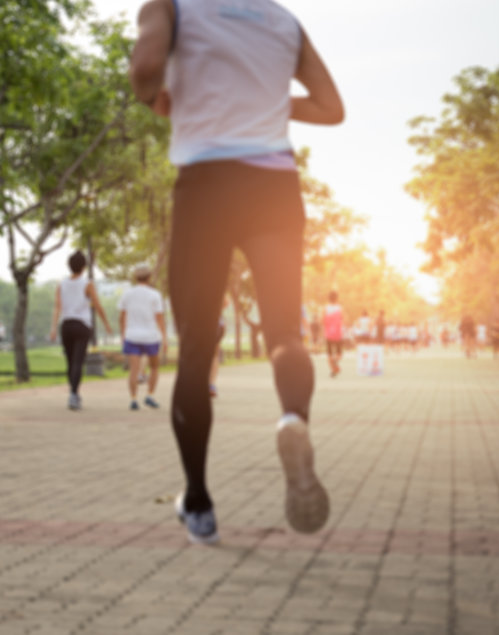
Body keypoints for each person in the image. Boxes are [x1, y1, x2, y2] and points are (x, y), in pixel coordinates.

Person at [131, 0, 343, 542]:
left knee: (198, 347)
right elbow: (330, 107)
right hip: (275, 186)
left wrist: (160, 95)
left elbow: (144, 73)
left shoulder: (170, 7)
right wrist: (267, 102)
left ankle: (198, 502)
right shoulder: (283, 21)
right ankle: (293, 417)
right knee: (283, 333)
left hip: (207, 185)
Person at [49, 250, 113, 410]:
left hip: (67, 325)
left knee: (70, 363)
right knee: (78, 361)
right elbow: (97, 305)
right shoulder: (87, 284)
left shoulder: (61, 284)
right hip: (82, 326)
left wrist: (53, 328)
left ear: (69, 266)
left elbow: (57, 307)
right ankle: (74, 394)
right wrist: (106, 324)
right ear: (84, 266)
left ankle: (73, 393)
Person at [119, 264, 168, 410]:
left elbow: (121, 317)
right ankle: (150, 396)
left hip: (132, 336)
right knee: (154, 368)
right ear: (149, 277)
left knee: (134, 370)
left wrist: (123, 334)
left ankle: (133, 400)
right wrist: (164, 337)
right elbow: (159, 318)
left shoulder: (127, 294)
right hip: (151, 337)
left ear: (135, 277)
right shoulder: (155, 295)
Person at [322, 291, 344, 378]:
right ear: (337, 298)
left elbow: (322, 321)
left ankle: (333, 369)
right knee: (339, 354)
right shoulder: (340, 308)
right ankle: (335, 363)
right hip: (338, 333)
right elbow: (343, 320)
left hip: (328, 333)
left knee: (329, 354)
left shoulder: (325, 308)